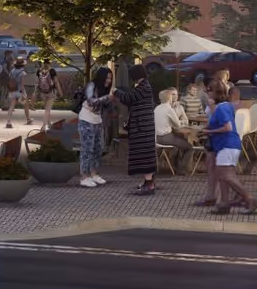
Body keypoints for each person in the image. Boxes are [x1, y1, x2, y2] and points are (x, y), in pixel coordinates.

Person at [201, 80, 256, 215]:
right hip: (229, 145)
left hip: (227, 145)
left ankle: (249, 198)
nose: (207, 93)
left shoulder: (221, 108)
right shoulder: (226, 106)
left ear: (214, 93)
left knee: (226, 175)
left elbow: (228, 127)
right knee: (223, 176)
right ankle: (224, 204)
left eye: (208, 91)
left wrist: (208, 132)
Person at [116, 64, 158, 194]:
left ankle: (149, 184)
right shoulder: (145, 86)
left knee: (144, 155)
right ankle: (147, 182)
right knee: (145, 154)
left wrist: (116, 91)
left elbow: (129, 98)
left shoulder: (143, 87)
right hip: (144, 127)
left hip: (142, 128)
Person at [77, 66, 114, 188]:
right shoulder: (91, 85)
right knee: (87, 148)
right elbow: (91, 101)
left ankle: (94, 174)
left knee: (98, 148)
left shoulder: (104, 89)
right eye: (107, 78)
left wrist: (111, 99)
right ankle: (84, 177)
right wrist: (106, 98)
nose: (108, 80)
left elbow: (104, 105)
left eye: (110, 78)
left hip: (97, 120)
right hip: (86, 119)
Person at [155, 87, 194, 167]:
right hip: (166, 138)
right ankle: (181, 168)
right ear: (169, 98)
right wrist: (181, 122)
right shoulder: (169, 109)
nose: (174, 97)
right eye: (172, 95)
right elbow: (178, 125)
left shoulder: (156, 108)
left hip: (156, 138)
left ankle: (176, 165)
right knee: (190, 147)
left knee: (179, 141)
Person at [2, 52, 24, 130]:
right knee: (25, 102)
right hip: (18, 91)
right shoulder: (23, 72)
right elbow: (22, 84)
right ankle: (28, 118)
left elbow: (10, 80)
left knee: (11, 106)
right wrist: (23, 93)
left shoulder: (12, 71)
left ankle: (8, 122)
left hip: (12, 90)